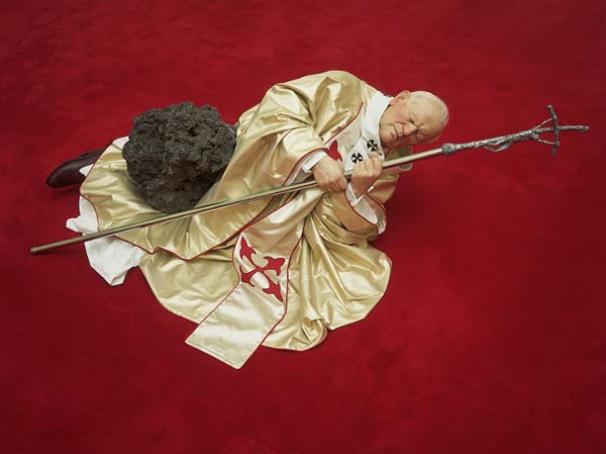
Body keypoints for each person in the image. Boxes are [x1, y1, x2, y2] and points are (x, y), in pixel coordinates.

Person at [54, 70, 449, 368]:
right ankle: (102, 165)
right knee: (184, 208)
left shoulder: (392, 164)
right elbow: (280, 105)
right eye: (411, 118)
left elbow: (351, 230)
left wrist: (355, 191)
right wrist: (314, 158)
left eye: (419, 134)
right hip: (254, 172)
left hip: (287, 219)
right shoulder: (343, 89)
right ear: (401, 97)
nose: (407, 131)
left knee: (312, 278)